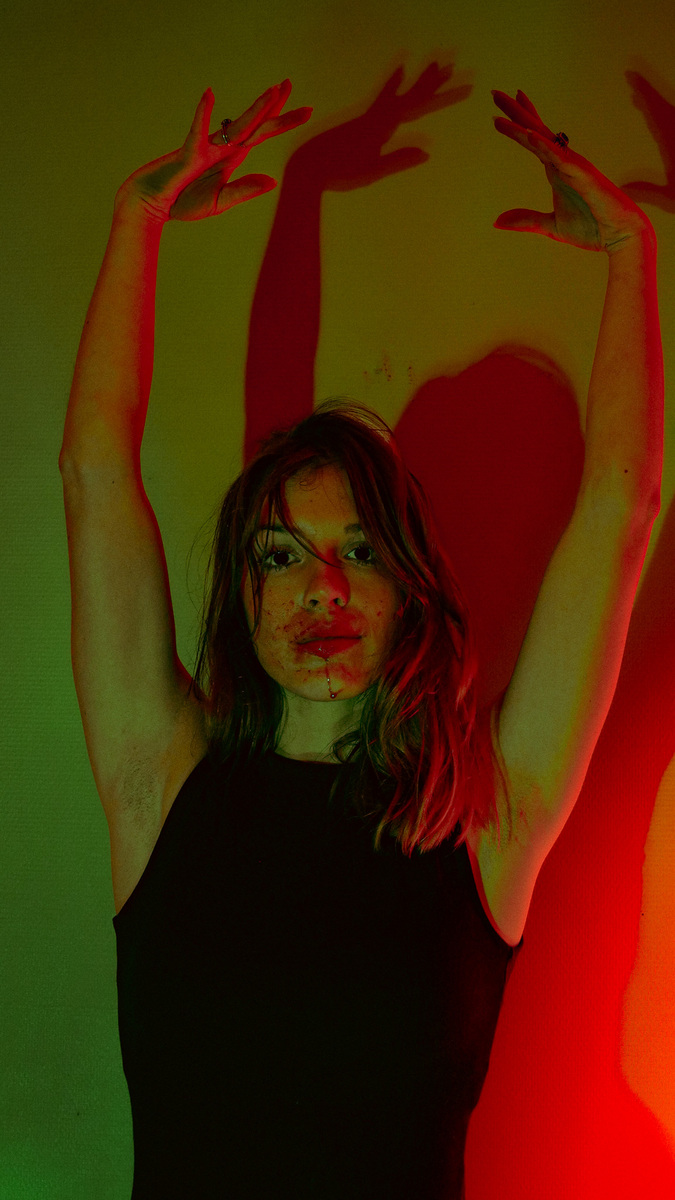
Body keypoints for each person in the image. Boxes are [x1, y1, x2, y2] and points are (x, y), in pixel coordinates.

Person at [59, 79, 663, 1199]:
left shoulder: (487, 815)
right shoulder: (163, 783)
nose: (322, 589)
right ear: (243, 596)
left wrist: (631, 252)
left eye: (361, 552)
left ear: (408, 591)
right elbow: (96, 475)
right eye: (281, 555)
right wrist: (138, 222)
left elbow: (621, 510)